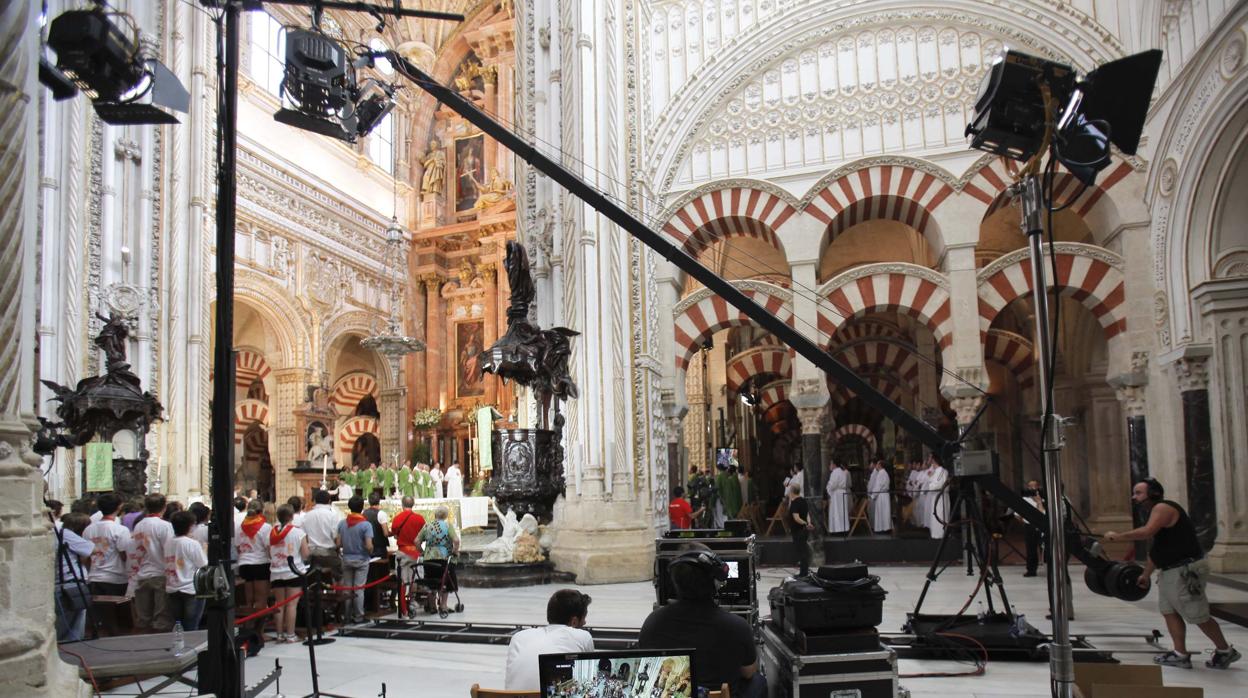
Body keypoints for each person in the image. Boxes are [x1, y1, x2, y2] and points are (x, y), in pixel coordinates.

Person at [1104, 480, 1240, 669]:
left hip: (1185, 570)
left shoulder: (1163, 508)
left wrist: (1119, 536)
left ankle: (1225, 651)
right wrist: (1146, 573)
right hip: (1170, 570)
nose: (1134, 497)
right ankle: (1180, 654)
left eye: (1138, 493)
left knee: (1197, 614)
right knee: (1169, 611)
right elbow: (1157, 547)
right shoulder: (1154, 512)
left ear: (1152, 493)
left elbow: (1146, 532)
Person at [638, 547, 765, 698]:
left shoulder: (653, 622)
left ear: (675, 582)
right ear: (716, 583)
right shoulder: (737, 626)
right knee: (757, 681)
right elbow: (748, 672)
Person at [504, 589, 595, 690]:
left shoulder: (518, 637)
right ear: (574, 622)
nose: (585, 622)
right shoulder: (582, 636)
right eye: (583, 619)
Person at [130, 494, 174, 632]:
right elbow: (169, 550)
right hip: (160, 573)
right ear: (164, 508)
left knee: (144, 617)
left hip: (142, 573)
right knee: (161, 617)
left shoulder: (138, 526)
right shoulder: (165, 526)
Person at [269, 504, 309, 643]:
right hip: (293, 571)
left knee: (279, 604)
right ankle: (290, 635)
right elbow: (305, 554)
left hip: (276, 571)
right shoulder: (298, 533)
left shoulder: (273, 532)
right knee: (292, 605)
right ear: (292, 516)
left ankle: (279, 634)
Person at [164, 510, 208, 631]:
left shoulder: (168, 542)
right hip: (190, 588)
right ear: (190, 525)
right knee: (192, 625)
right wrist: (204, 549)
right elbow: (203, 564)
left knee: (179, 625)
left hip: (172, 587)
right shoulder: (192, 543)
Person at [54, 512, 94, 642]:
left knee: (66, 620)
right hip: (70, 582)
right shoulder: (66, 535)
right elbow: (89, 550)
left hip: (60, 582)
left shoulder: (57, 535)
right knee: (74, 623)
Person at [83, 492, 131, 596]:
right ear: (119, 507)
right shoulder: (120, 530)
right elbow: (124, 556)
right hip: (115, 578)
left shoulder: (88, 530)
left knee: (98, 610)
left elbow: (85, 557)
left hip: (95, 577)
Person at [416, 505, 460, 614]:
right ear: (445, 516)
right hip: (443, 558)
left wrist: (422, 552)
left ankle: (432, 606)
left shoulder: (427, 526)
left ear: (435, 515)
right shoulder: (447, 525)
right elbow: (456, 540)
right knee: (445, 580)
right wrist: (454, 551)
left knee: (431, 581)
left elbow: (416, 541)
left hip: (428, 559)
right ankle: (443, 605)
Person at [235, 498, 272, 629]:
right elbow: (268, 548)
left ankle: (248, 628)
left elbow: (238, 547)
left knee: (249, 600)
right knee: (261, 600)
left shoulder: (240, 527)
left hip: (244, 564)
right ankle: (259, 631)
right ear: (261, 511)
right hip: (260, 563)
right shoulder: (265, 527)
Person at [338, 496, 374, 623]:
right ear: (362, 508)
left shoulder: (342, 523)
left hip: (346, 557)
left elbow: (338, 543)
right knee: (359, 588)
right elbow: (369, 545)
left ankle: (347, 615)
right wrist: (370, 551)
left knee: (347, 588)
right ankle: (358, 616)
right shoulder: (366, 524)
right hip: (361, 559)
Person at [391, 496, 426, 613]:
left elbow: (395, 534)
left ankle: (403, 608)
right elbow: (423, 535)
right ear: (413, 504)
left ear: (402, 504)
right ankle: (411, 601)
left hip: (402, 551)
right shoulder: (419, 519)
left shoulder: (397, 518)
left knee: (402, 581)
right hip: (414, 553)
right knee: (413, 579)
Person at [303, 489, 343, 583]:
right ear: (329, 501)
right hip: (328, 554)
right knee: (341, 573)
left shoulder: (307, 515)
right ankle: (338, 593)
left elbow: (304, 537)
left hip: (312, 554)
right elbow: (336, 538)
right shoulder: (332, 515)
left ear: (315, 501)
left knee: (312, 579)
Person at [1018, 479, 1046, 577]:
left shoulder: (1043, 498)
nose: (1033, 488)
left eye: (1035, 486)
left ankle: (1050, 567)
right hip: (1029, 526)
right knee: (1030, 549)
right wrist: (1024, 521)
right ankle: (1031, 570)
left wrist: (1039, 501)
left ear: (1038, 487)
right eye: (1030, 486)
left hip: (1042, 526)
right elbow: (1018, 514)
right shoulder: (1025, 499)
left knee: (1045, 547)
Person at [788, 482, 814, 577]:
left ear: (792, 491)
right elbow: (807, 514)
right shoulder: (803, 500)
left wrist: (806, 523)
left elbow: (796, 518)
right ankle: (804, 571)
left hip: (798, 531)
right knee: (804, 551)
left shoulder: (795, 503)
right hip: (804, 530)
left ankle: (803, 573)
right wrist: (808, 523)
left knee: (801, 552)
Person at [926, 458, 950, 539]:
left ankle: (940, 535)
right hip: (936, 497)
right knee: (936, 516)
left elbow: (938, 485)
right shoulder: (936, 471)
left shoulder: (941, 470)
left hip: (940, 498)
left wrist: (930, 485)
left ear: (934, 460)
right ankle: (936, 535)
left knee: (940, 515)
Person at [867, 459, 892, 534]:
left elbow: (878, 486)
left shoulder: (881, 473)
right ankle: (885, 527)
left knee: (882, 512)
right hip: (884, 495)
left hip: (881, 496)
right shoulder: (884, 473)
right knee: (884, 512)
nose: (876, 466)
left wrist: (873, 496)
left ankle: (882, 528)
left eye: (877, 464)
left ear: (880, 465)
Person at [825, 461, 850, 534]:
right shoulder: (842, 472)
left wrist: (828, 488)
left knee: (837, 512)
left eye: (830, 464)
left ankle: (838, 530)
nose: (829, 465)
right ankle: (843, 528)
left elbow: (832, 484)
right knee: (842, 512)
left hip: (836, 495)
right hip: (841, 494)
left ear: (834, 465)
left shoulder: (835, 472)